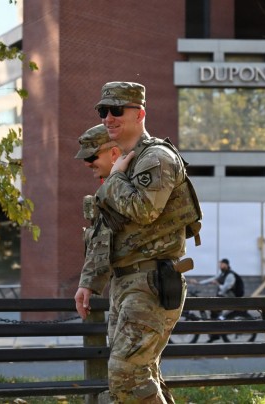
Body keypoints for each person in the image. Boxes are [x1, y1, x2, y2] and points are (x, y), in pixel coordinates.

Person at [74, 81, 202, 403]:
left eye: (117, 110)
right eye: (103, 111)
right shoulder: (127, 164)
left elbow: (144, 211)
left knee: (126, 373)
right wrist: (89, 283)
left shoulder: (156, 158)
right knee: (136, 375)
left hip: (152, 281)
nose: (108, 118)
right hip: (126, 283)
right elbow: (104, 232)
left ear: (140, 113)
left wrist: (115, 178)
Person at [194, 258, 252, 342]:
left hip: (232, 299)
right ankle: (215, 333)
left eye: (222, 264)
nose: (220, 265)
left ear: (226, 265)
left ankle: (216, 332)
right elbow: (212, 279)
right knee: (214, 311)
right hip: (226, 297)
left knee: (214, 309)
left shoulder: (230, 275)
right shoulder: (222, 274)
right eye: (220, 264)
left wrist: (217, 284)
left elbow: (225, 288)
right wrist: (198, 283)